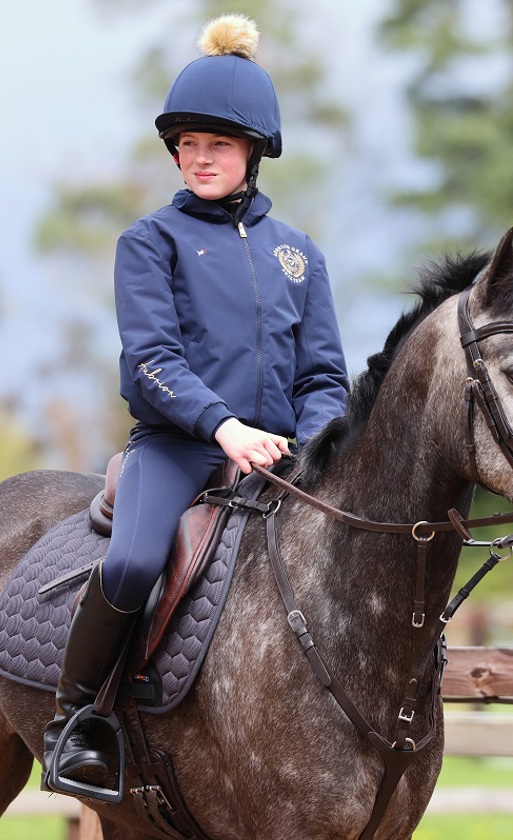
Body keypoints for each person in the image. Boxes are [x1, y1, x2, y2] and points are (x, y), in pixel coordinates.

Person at [43, 13, 349, 795]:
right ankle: (78, 720)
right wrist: (225, 427)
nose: (198, 157)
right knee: (138, 558)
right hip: (178, 450)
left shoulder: (299, 255)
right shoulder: (149, 243)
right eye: (186, 143)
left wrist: (310, 448)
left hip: (282, 458)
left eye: (216, 143)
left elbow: (324, 379)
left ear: (253, 150)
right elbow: (152, 361)